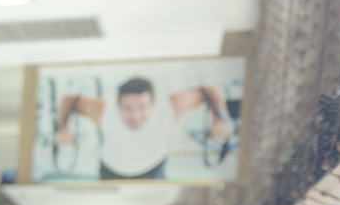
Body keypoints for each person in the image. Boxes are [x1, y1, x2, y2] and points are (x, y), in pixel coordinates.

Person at [55, 76, 233, 181]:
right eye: (127, 108)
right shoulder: (105, 109)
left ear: (153, 103)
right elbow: (69, 100)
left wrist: (219, 120)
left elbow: (212, 90)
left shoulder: (169, 106)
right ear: (118, 104)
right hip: (111, 171)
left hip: (153, 170)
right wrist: (63, 128)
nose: (135, 116)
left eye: (142, 107)